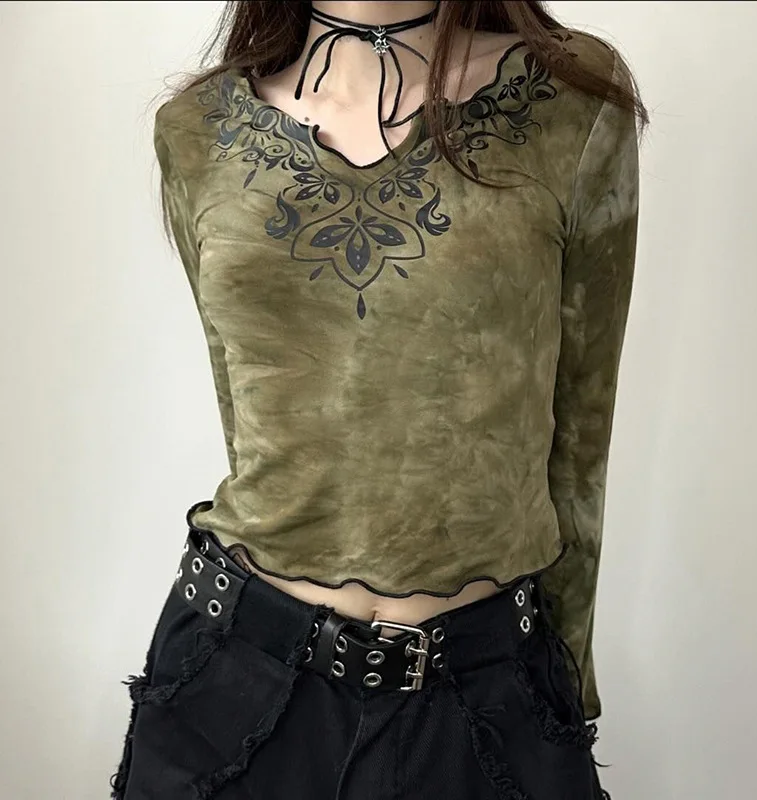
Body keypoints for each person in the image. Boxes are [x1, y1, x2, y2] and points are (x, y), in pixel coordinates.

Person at [111, 1, 646, 797]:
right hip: (232, 682)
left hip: (479, 699)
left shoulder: (571, 101)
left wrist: (563, 691)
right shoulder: (196, 131)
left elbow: (581, 435)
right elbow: (248, 419)